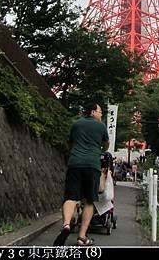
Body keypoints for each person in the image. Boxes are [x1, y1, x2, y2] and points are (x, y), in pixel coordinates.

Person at [53, 102, 109, 246]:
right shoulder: (101, 126)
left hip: (75, 164)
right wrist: (99, 149)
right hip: (92, 165)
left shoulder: (76, 124)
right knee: (89, 201)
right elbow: (106, 144)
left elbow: (71, 143)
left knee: (71, 197)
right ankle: (82, 237)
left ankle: (66, 224)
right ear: (92, 112)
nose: (101, 114)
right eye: (99, 111)